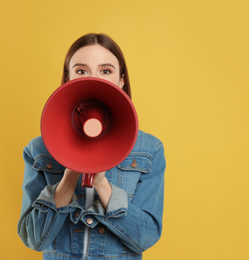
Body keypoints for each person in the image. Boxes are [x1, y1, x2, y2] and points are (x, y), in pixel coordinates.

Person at [17, 33, 166, 260]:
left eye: (105, 71)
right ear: (67, 77)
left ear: (121, 80)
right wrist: (68, 178)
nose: (93, 78)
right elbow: (34, 239)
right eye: (81, 70)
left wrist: (102, 185)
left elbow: (145, 238)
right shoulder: (39, 149)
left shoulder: (149, 149)